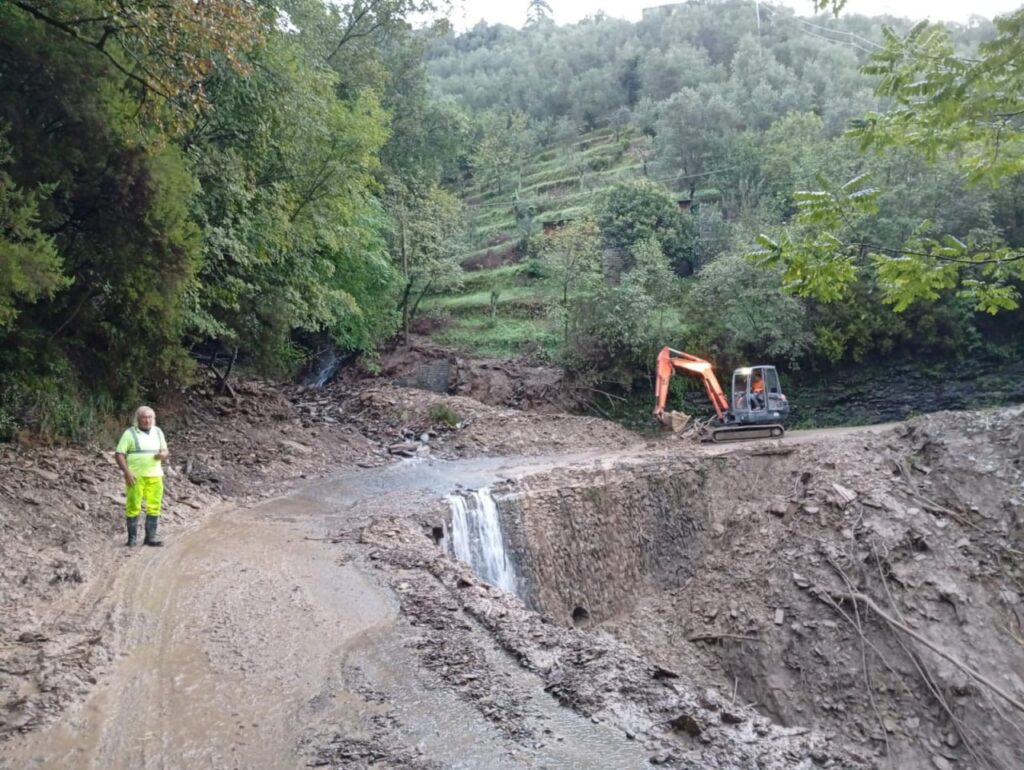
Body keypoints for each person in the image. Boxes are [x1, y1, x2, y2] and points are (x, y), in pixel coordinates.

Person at [115, 406, 169, 547]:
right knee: (133, 506)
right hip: (136, 477)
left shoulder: (158, 432)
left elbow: (165, 450)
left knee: (154, 506)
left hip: (155, 475)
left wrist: (163, 454)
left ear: (154, 419)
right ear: (137, 419)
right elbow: (119, 454)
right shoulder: (129, 433)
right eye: (144, 417)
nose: (147, 420)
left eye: (150, 417)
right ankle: (132, 539)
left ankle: (150, 538)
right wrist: (127, 473)